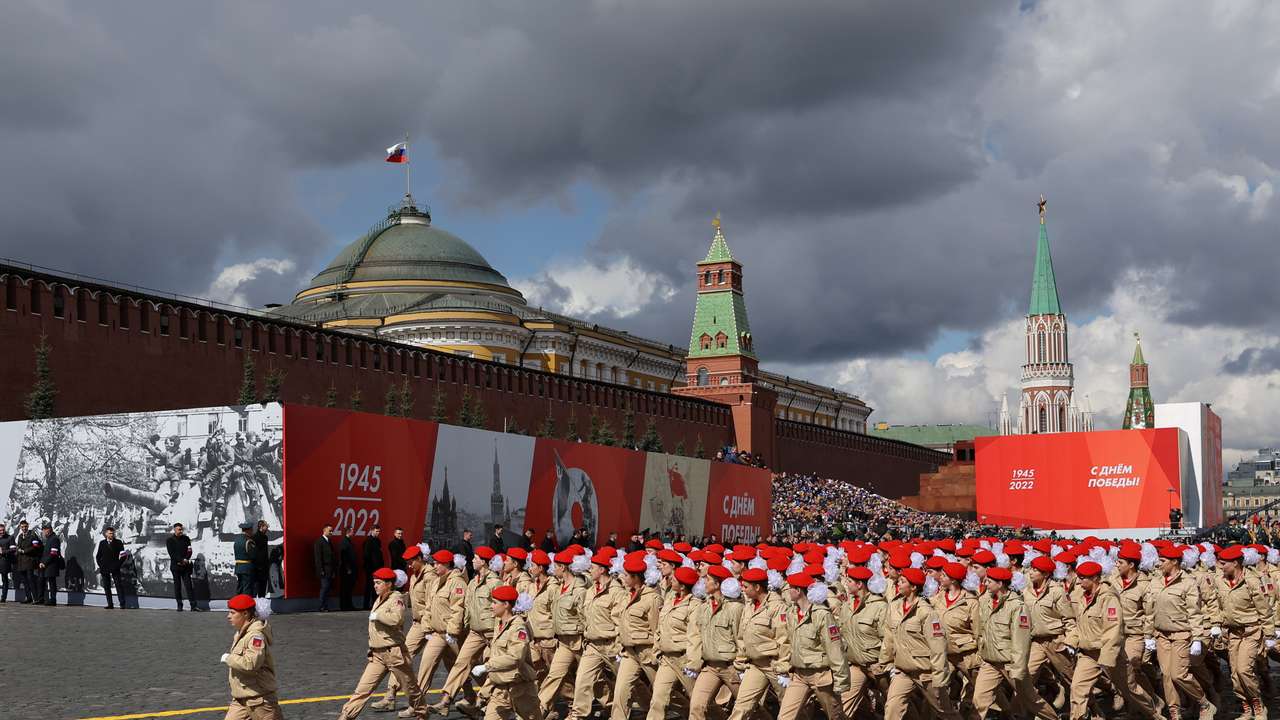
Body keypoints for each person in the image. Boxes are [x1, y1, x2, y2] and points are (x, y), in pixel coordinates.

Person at [337, 567, 430, 720]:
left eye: (379, 583)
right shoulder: (380, 598)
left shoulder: (396, 599)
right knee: (362, 689)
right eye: (374, 582)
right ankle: (346, 716)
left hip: (394, 653)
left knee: (410, 688)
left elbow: (396, 619)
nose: (375, 586)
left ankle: (422, 713)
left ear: (389, 584)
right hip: (377, 654)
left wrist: (378, 615)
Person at [881, 568, 958, 720]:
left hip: (926, 673)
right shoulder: (895, 607)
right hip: (902, 671)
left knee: (944, 712)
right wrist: (887, 663)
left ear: (914, 587)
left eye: (903, 582)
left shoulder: (926, 612)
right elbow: (889, 638)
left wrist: (939, 678)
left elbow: (938, 647)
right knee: (892, 709)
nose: (899, 584)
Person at [1149, 544, 1215, 720]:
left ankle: (1204, 703)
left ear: (1174, 562)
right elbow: (1150, 610)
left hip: (1181, 635)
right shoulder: (1155, 581)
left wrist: (1197, 638)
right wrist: (1148, 634)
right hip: (1161, 635)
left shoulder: (1188, 583)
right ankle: (1174, 712)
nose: (1159, 564)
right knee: (1167, 675)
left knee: (1179, 674)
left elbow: (1194, 613)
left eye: (1163, 561)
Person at [778, 572, 849, 720]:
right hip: (799, 675)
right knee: (785, 716)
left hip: (821, 675)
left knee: (835, 716)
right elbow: (788, 643)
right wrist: (784, 668)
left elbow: (834, 648)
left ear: (798, 591)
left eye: (790, 587)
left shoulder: (822, 615)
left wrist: (840, 680)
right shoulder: (792, 612)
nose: (787, 590)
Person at [1213, 544, 1273, 719]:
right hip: (1232, 634)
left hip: (1251, 632)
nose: (1221, 566)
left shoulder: (1251, 581)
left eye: (1224, 563)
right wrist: (1217, 623)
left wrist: (1269, 633)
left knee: (1244, 671)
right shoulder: (1220, 581)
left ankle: (1258, 704)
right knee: (1235, 674)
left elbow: (1264, 609)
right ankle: (1246, 708)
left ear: (1236, 563)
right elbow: (1217, 605)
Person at [473, 584, 544, 720]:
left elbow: (515, 657)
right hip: (500, 689)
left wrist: (486, 666)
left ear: (506, 604)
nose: (491, 606)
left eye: (494, 602)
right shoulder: (499, 624)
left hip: (521, 689)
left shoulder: (518, 627)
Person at [728, 567, 789, 720]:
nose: (743, 589)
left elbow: (783, 639)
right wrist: (741, 662)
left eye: (746, 586)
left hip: (774, 665)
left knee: (790, 710)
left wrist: (783, 668)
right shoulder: (749, 605)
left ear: (757, 587)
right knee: (741, 707)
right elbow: (742, 636)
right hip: (755, 665)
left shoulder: (777, 606)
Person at [686, 565, 743, 720]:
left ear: (717, 584)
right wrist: (694, 661)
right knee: (697, 706)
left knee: (748, 707)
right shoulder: (704, 607)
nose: (704, 583)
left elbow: (741, 638)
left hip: (731, 667)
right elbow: (696, 636)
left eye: (708, 579)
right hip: (710, 667)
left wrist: (741, 666)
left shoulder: (735, 608)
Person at [220, 594, 284, 720]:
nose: (228, 616)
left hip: (260, 700)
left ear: (245, 614)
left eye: (232, 613)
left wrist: (229, 658)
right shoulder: (241, 633)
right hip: (241, 698)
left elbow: (251, 664)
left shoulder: (255, 636)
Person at [611, 556, 659, 720]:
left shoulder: (652, 598)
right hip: (629, 652)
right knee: (620, 692)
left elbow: (657, 628)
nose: (622, 578)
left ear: (635, 577)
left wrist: (656, 653)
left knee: (665, 693)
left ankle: (693, 711)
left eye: (625, 575)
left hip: (647, 652)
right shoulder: (626, 595)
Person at [167, 522, 201, 611]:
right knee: (177, 586)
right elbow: (172, 554)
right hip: (176, 567)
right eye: (179, 529)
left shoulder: (186, 539)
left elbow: (189, 550)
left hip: (185, 567)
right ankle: (179, 605)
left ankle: (193, 606)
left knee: (189, 586)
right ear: (174, 530)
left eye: (181, 529)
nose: (181, 531)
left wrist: (186, 559)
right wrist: (181, 560)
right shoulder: (170, 540)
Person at [95, 526, 127, 610]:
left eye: (112, 533)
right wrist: (101, 565)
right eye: (109, 533)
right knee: (107, 587)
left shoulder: (119, 542)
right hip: (105, 568)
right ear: (106, 534)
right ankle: (110, 604)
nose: (111, 535)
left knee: (118, 586)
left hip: (115, 568)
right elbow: (98, 556)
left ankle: (122, 604)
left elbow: (124, 556)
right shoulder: (102, 543)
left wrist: (117, 565)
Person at [37, 523, 62, 606]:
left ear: (48, 530)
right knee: (42, 581)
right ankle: (41, 599)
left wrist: (44, 563)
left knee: (52, 582)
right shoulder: (49, 539)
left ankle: (53, 600)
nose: (43, 532)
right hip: (45, 565)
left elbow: (53, 553)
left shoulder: (54, 539)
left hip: (51, 565)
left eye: (44, 530)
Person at [16, 519, 40, 603]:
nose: (24, 528)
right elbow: (18, 547)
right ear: (20, 527)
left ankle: (36, 598)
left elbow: (36, 547)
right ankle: (28, 597)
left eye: (25, 526)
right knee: (25, 581)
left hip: (30, 562)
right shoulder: (19, 536)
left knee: (31, 580)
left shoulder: (33, 535)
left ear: (28, 526)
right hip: (21, 562)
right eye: (22, 527)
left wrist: (24, 551)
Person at [313, 524, 335, 612]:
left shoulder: (329, 542)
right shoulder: (319, 542)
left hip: (329, 569)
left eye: (332, 531)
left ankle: (325, 606)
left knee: (328, 588)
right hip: (324, 569)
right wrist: (321, 570)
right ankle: (321, 606)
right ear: (324, 531)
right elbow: (318, 557)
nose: (331, 533)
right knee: (324, 587)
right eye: (330, 531)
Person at [363, 526, 384, 610]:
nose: (378, 533)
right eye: (376, 531)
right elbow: (366, 556)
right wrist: (369, 567)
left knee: (377, 587)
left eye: (379, 531)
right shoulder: (368, 541)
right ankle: (366, 605)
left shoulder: (378, 541)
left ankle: (375, 604)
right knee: (369, 587)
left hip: (378, 569)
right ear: (371, 531)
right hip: (370, 569)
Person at [338, 529, 357, 611]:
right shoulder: (344, 542)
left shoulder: (348, 541)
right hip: (346, 570)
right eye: (352, 531)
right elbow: (344, 556)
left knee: (349, 588)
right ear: (348, 532)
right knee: (345, 588)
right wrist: (347, 568)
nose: (354, 532)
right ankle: (344, 606)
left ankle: (348, 605)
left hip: (349, 568)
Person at [235, 522, 256, 596]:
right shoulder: (248, 541)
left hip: (238, 567)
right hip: (247, 568)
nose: (252, 531)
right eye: (251, 529)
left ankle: (238, 605)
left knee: (240, 588)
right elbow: (253, 555)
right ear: (248, 530)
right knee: (247, 589)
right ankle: (246, 606)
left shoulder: (237, 540)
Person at [252, 520, 271, 598]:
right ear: (261, 527)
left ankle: (261, 602)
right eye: (266, 526)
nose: (267, 528)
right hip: (258, 567)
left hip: (263, 566)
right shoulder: (256, 537)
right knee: (258, 587)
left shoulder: (264, 537)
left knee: (262, 587)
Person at [0, 522, 13, 603]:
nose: (2, 531)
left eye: (3, 530)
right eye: (0, 530)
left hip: (4, 562)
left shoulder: (10, 538)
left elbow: (13, 549)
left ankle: (3, 597)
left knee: (4, 579)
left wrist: (3, 552)